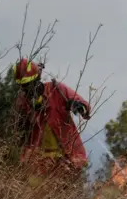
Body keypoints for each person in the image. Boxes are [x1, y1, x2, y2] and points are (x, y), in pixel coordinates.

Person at [13, 58, 91, 187]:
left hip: (68, 158)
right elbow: (19, 133)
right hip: (40, 164)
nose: (27, 89)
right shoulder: (22, 102)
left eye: (30, 84)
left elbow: (85, 107)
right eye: (23, 86)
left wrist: (78, 106)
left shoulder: (57, 90)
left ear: (37, 79)